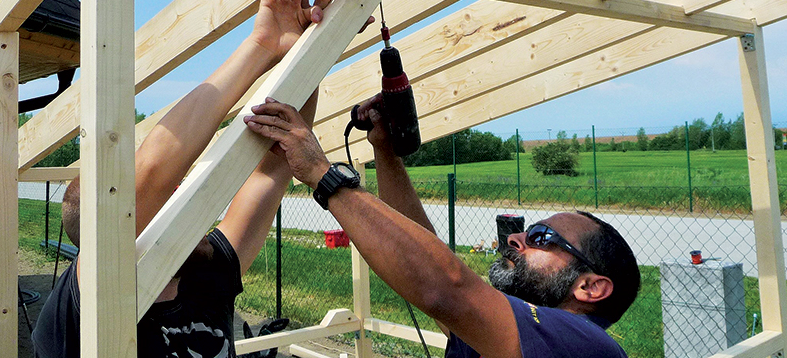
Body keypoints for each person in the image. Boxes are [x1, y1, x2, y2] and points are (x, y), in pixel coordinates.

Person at [32, 0, 342, 358]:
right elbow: (153, 170)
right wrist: (260, 45)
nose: (178, 197)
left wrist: (304, 55)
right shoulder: (88, 305)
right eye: (159, 200)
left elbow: (276, 168)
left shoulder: (207, 269)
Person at [243, 97, 641, 358]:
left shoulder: (586, 346)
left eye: (541, 239)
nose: (516, 238)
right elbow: (426, 253)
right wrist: (384, 149)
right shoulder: (501, 337)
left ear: (590, 287)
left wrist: (323, 175)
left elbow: (445, 287)